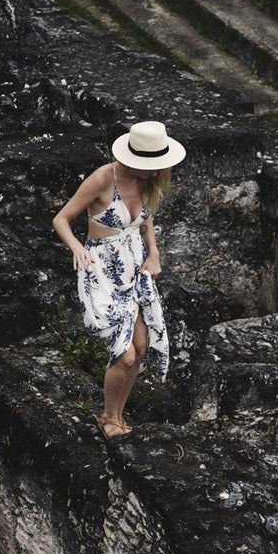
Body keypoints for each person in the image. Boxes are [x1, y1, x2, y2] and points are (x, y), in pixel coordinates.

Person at [52, 121, 186, 439]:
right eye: (149, 166)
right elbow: (61, 218)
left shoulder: (146, 182)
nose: (155, 173)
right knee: (123, 354)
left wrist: (154, 254)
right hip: (100, 269)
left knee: (140, 349)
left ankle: (119, 416)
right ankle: (108, 417)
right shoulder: (102, 178)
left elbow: (146, 219)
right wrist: (76, 248)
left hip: (134, 267)